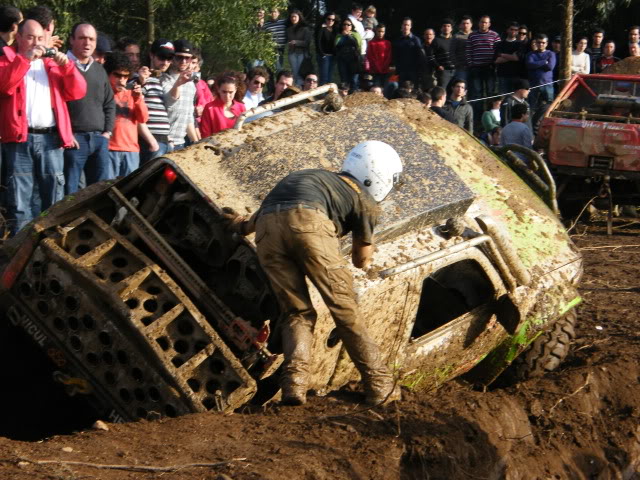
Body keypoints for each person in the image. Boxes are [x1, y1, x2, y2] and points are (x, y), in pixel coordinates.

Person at [222, 140, 403, 407]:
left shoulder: (311, 177)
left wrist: (237, 223)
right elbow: (361, 261)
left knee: (297, 313)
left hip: (267, 232)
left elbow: (259, 218)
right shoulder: (366, 201)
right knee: (345, 310)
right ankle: (381, 386)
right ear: (379, 178)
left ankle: (294, 386)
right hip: (312, 226)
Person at [0, 19, 86, 235]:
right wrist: (24, 60)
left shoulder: (54, 65)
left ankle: (50, 248)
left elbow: (77, 92)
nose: (36, 42)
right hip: (19, 140)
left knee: (55, 202)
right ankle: (18, 256)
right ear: (18, 37)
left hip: (51, 140)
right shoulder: (6, 61)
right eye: (30, 37)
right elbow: (4, 85)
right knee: (19, 203)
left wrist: (68, 66)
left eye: (40, 38)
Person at [64, 22, 116, 194]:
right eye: (82, 38)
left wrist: (107, 132)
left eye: (91, 39)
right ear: (72, 40)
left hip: (99, 139)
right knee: (69, 193)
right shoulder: (60, 66)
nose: (87, 43)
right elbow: (55, 104)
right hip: (73, 142)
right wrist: (67, 135)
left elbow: (109, 103)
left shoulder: (99, 70)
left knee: (99, 192)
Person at [105, 51, 148, 177]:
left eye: (125, 76)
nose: (122, 80)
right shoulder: (104, 94)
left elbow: (143, 118)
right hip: (109, 149)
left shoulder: (132, 94)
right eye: (117, 75)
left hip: (131, 150)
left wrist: (138, 98)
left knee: (128, 190)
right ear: (108, 74)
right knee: (105, 188)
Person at [138, 38, 173, 163]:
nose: (165, 62)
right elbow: (134, 110)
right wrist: (152, 142)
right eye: (162, 57)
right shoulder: (142, 78)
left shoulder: (164, 81)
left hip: (165, 140)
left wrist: (169, 140)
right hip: (150, 141)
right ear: (151, 55)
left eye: (169, 59)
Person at [161, 39, 198, 151]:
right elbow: (170, 101)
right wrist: (178, 84)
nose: (183, 61)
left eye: (187, 58)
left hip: (180, 143)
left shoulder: (191, 85)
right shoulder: (163, 79)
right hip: (162, 142)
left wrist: (196, 142)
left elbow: (188, 117)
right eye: (179, 57)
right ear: (172, 58)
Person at [466, 15, 500, 118]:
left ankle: (490, 115)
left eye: (485, 22)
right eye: (482, 22)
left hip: (490, 68)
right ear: (478, 23)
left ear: (489, 24)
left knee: (490, 92)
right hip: (476, 67)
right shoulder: (472, 35)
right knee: (477, 93)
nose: (483, 24)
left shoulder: (495, 35)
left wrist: (495, 64)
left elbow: (499, 51)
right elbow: (468, 51)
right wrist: (470, 63)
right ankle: (478, 117)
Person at [200, 72, 246, 137]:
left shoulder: (241, 107)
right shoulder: (210, 108)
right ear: (218, 90)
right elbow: (205, 133)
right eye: (224, 92)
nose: (227, 96)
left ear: (235, 90)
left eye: (231, 92)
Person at [526, 34, 555, 113]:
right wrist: (543, 62)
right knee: (532, 107)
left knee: (548, 107)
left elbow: (550, 67)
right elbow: (529, 65)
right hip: (533, 84)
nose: (541, 44)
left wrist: (536, 64)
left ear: (547, 43)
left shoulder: (551, 54)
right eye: (539, 42)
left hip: (547, 85)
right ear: (536, 43)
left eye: (543, 42)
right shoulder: (531, 54)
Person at [495, 22, 524, 95]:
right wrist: (512, 56)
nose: (513, 31)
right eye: (512, 29)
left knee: (515, 98)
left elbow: (517, 58)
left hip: (516, 75)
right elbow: (497, 60)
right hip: (502, 75)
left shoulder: (520, 44)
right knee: (503, 98)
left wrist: (502, 54)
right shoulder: (500, 44)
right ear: (507, 30)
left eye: (516, 30)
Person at [335, 17, 362, 92]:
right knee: (344, 80)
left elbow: (357, 44)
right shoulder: (339, 35)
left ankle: (354, 96)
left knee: (354, 80)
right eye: (344, 24)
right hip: (342, 59)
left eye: (348, 25)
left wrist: (348, 36)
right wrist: (343, 36)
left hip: (354, 59)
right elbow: (336, 44)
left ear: (352, 26)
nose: (346, 26)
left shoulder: (356, 34)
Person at [286, 9, 311, 87]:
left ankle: (300, 88)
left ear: (299, 17)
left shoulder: (305, 29)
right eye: (291, 17)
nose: (293, 18)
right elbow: (288, 40)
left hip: (302, 53)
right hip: (292, 53)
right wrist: (289, 43)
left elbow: (307, 43)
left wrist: (296, 42)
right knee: (294, 72)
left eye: (295, 17)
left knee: (300, 73)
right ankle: (296, 88)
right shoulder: (288, 29)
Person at [393, 17, 422, 85]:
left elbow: (420, 56)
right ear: (402, 25)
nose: (406, 26)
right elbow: (395, 56)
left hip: (413, 71)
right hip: (401, 71)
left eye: (408, 25)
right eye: (404, 24)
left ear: (410, 26)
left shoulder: (416, 40)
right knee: (401, 91)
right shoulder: (398, 40)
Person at [366, 23, 391, 88]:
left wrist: (384, 67)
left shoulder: (387, 43)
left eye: (382, 31)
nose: (380, 33)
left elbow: (389, 57)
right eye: (379, 31)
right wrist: (377, 68)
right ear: (375, 31)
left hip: (385, 71)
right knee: (376, 89)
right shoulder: (371, 43)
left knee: (385, 89)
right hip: (375, 71)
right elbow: (370, 57)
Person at [433, 18, 456, 89]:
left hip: (455, 71)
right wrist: (438, 66)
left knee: (454, 91)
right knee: (442, 92)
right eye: (444, 26)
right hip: (444, 72)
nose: (446, 28)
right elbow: (431, 56)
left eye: (448, 26)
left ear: (451, 28)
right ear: (441, 28)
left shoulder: (455, 40)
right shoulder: (436, 40)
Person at [316, 11, 337, 86]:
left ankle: (328, 95)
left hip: (332, 56)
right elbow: (317, 42)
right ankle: (322, 95)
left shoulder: (335, 30)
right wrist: (322, 54)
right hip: (324, 56)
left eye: (333, 20)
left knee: (329, 78)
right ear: (325, 19)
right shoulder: (321, 28)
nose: (331, 21)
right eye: (329, 19)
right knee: (323, 78)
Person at [453, 15, 473, 82]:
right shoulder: (456, 36)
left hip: (474, 67)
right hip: (461, 68)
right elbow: (451, 52)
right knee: (461, 86)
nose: (465, 25)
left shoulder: (475, 35)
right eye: (463, 23)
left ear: (471, 24)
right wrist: (457, 64)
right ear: (460, 25)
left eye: (467, 23)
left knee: (475, 88)